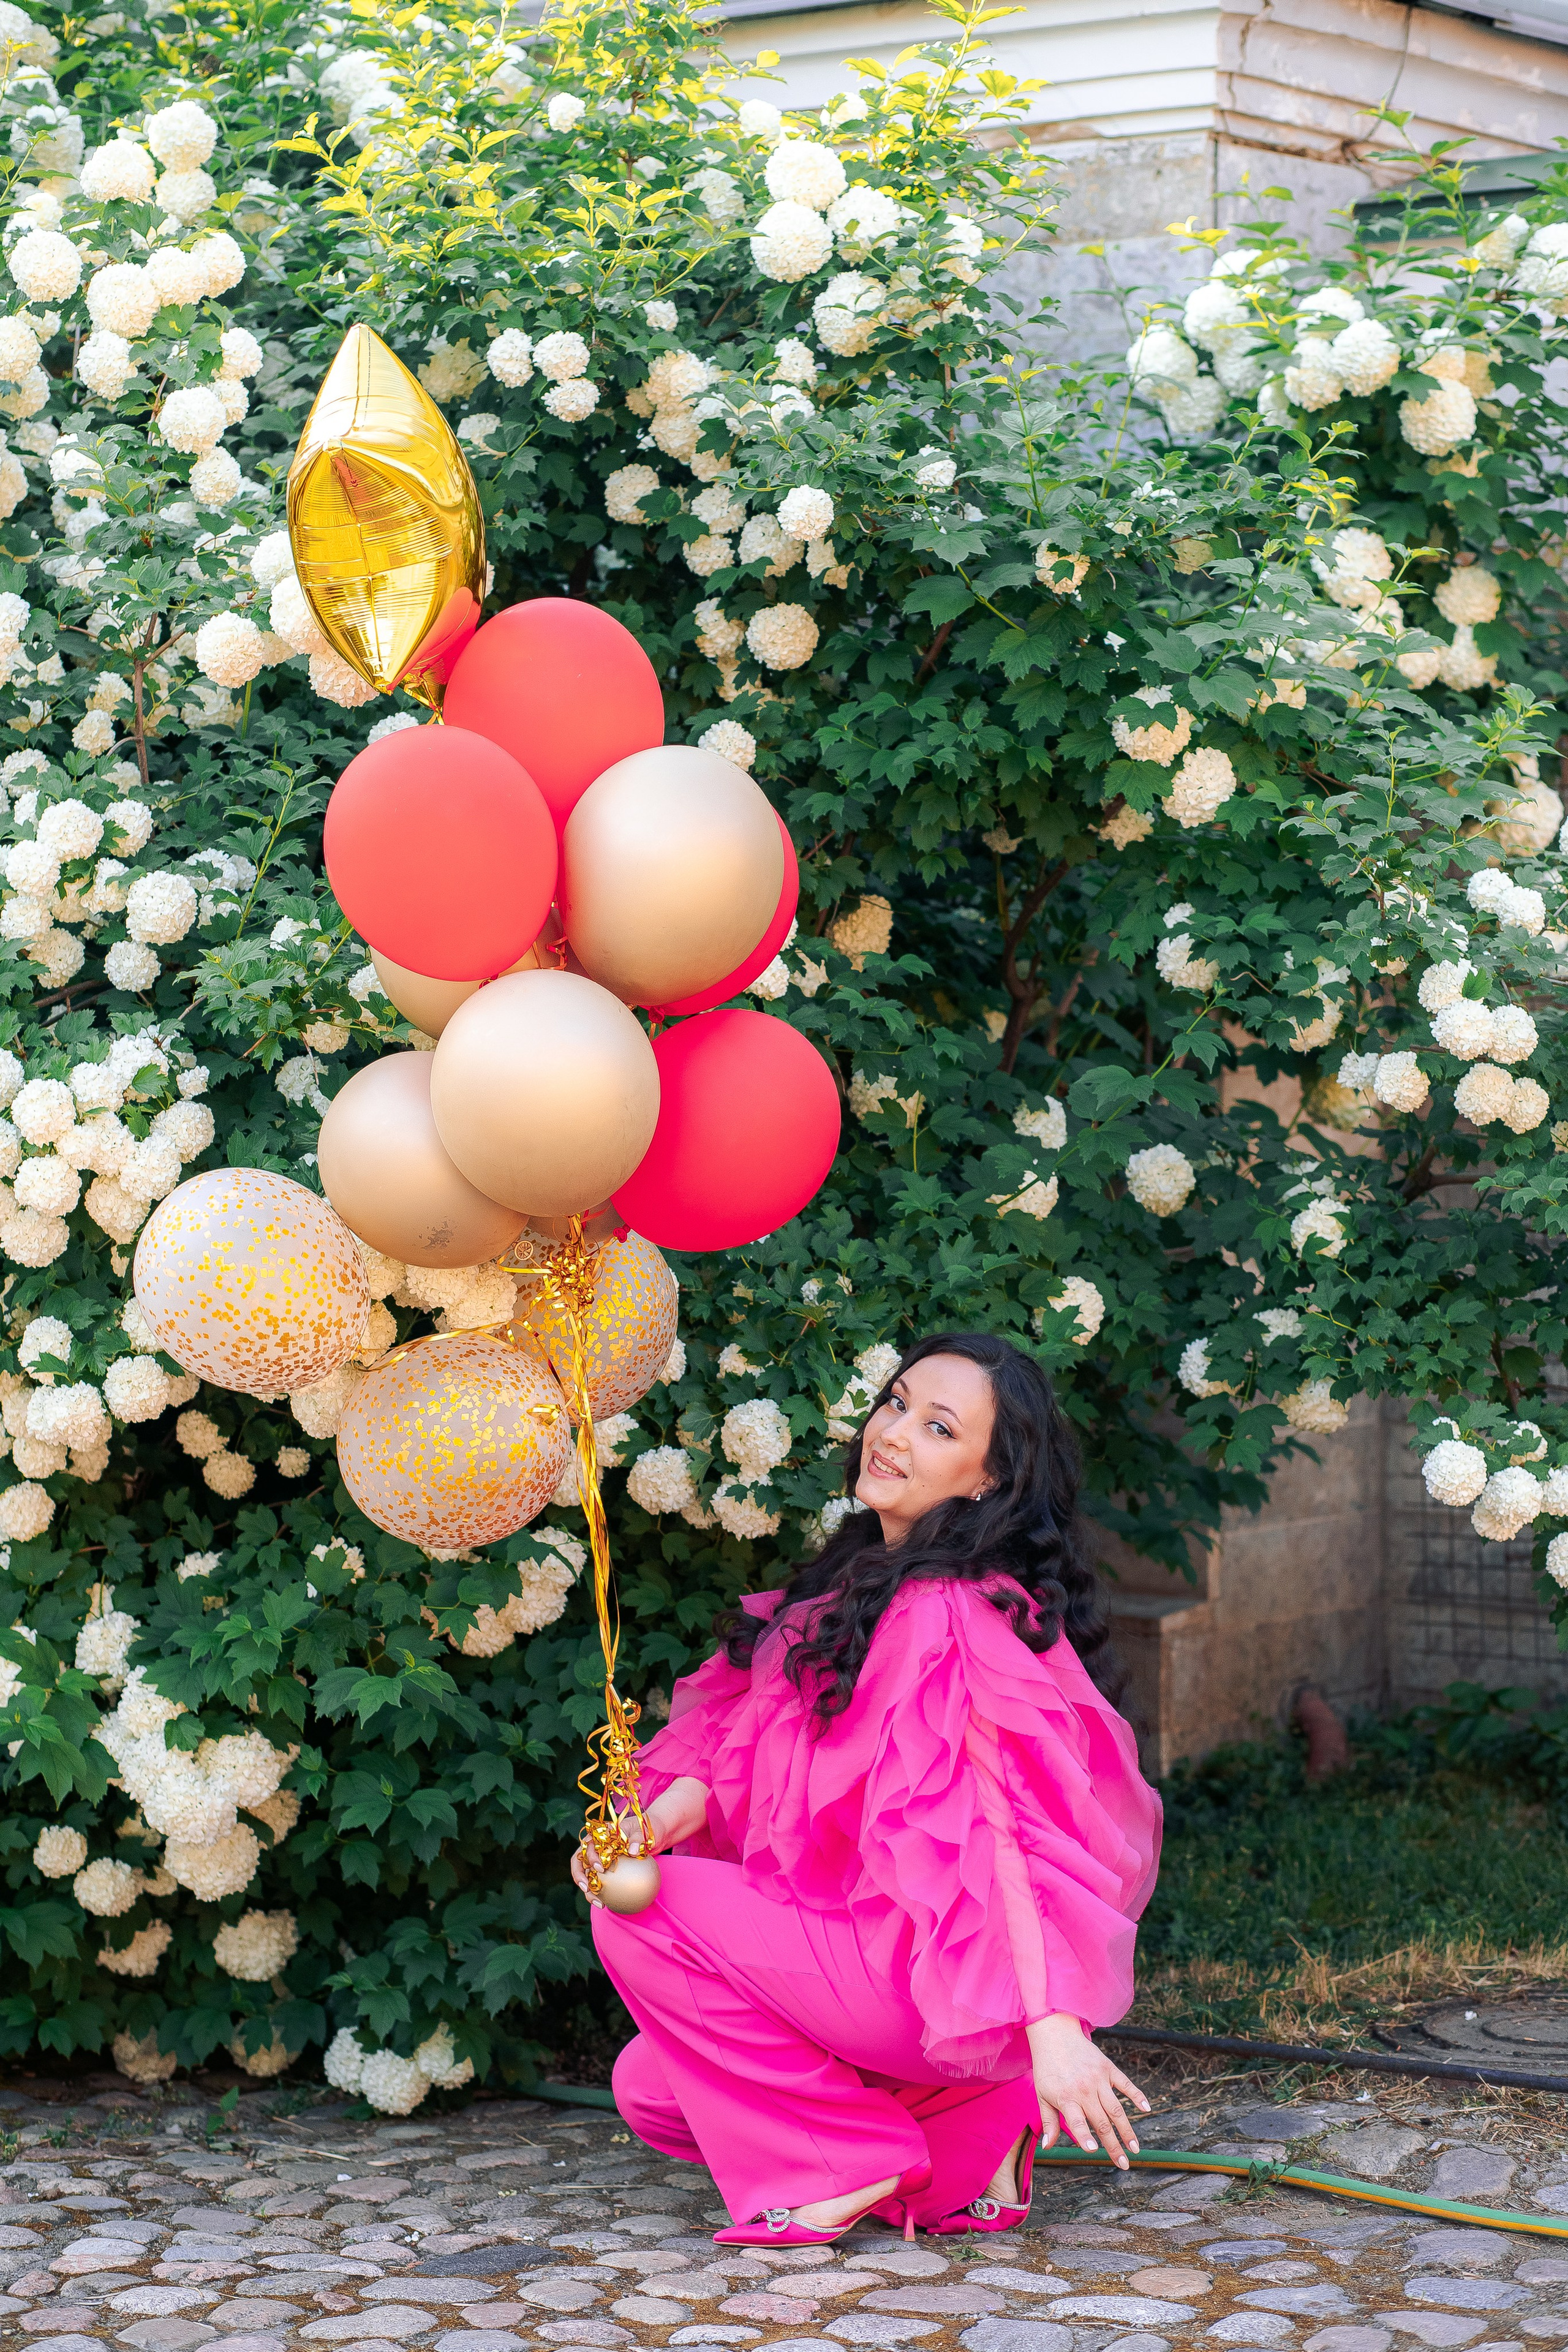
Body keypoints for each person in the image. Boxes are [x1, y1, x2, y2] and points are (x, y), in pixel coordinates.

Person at [575, 1330, 1162, 2247]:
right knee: (653, 2091)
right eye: (896, 1403)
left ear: (985, 1481)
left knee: (638, 1914)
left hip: (923, 1976)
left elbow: (1004, 1825)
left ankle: (840, 2165)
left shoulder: (945, 1613)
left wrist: (1052, 2023)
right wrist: (651, 1822)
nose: (892, 1433)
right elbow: (741, 1751)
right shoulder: (860, 1587)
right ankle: (975, 2142)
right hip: (884, 1973)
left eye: (937, 1428)